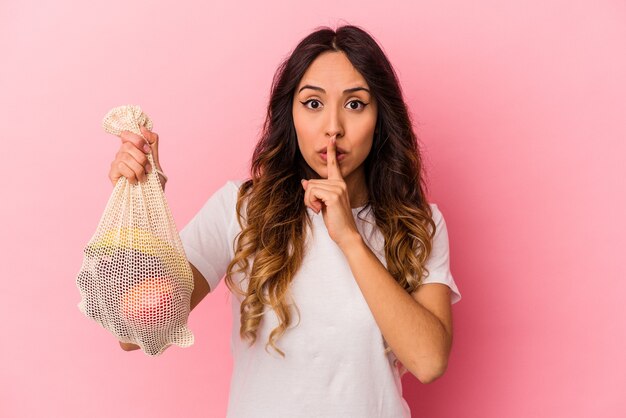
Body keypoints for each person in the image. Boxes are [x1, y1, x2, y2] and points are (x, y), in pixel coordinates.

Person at [108, 24, 461, 418]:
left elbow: (429, 362)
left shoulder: (419, 223)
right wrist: (143, 200)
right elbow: (134, 333)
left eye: (355, 104)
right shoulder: (240, 209)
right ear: (289, 113)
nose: (333, 127)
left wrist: (350, 238)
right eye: (313, 104)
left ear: (381, 117)